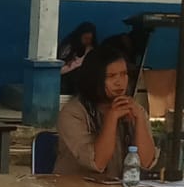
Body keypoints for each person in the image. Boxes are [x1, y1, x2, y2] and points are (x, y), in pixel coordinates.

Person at [55, 46, 157, 177]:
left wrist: (140, 120)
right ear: (94, 79)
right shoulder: (72, 113)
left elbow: (146, 162)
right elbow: (98, 163)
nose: (119, 82)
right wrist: (111, 118)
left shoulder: (135, 110)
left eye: (124, 74)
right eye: (111, 76)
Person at [57, 21, 97, 96]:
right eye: (85, 38)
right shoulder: (68, 45)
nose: (88, 41)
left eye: (90, 39)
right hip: (66, 78)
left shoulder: (91, 47)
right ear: (80, 36)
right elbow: (61, 66)